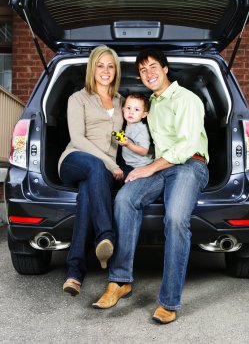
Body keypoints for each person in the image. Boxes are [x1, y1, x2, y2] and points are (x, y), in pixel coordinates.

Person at [93, 48, 209, 324]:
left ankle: (169, 301)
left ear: (165, 68)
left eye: (153, 66)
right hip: (160, 166)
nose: (148, 73)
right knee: (124, 199)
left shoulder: (187, 99)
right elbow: (129, 124)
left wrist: (148, 168)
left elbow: (186, 146)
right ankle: (120, 280)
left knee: (176, 218)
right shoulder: (152, 104)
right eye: (143, 70)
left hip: (190, 164)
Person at [58, 45, 124, 296]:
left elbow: (119, 137)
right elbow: (78, 138)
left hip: (103, 169)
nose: (105, 70)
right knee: (94, 167)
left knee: (87, 192)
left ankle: (74, 273)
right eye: (100, 65)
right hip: (75, 160)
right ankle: (105, 236)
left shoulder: (120, 100)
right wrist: (110, 163)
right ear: (92, 69)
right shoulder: (78, 98)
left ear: (115, 70)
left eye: (110, 65)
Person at [117, 93, 153, 177]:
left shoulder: (141, 129)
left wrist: (128, 144)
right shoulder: (127, 125)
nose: (131, 112)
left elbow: (144, 151)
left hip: (141, 166)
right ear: (123, 110)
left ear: (144, 114)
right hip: (129, 163)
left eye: (136, 109)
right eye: (128, 108)